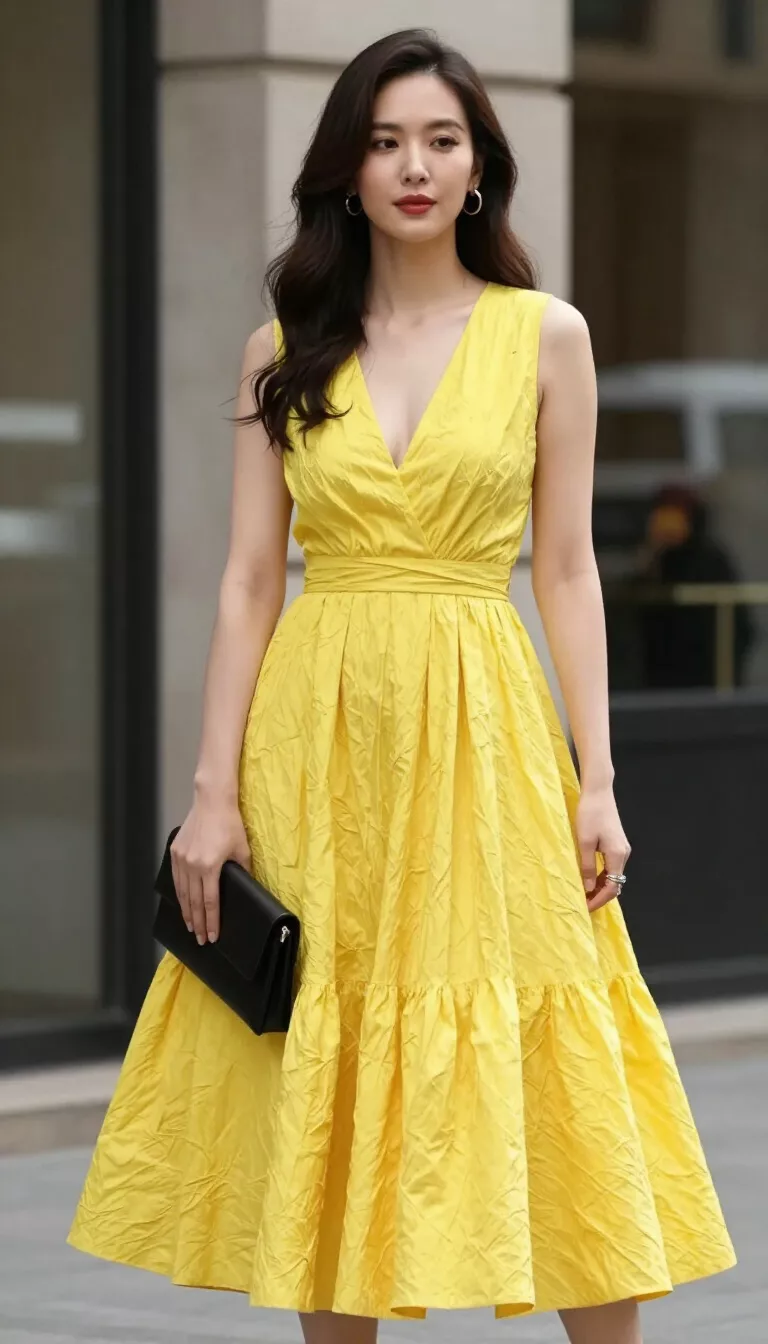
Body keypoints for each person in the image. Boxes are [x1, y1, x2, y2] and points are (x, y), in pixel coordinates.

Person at [68, 28, 736, 1344]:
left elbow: (568, 574)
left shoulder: (547, 337)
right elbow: (250, 581)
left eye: (440, 140)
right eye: (384, 143)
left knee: (557, 1058)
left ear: (480, 166)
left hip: (486, 725)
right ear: (348, 172)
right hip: (318, 739)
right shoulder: (286, 345)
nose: (414, 167)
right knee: (331, 1056)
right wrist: (211, 796)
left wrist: (597, 778)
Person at [632, 483, 755, 689]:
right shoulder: (656, 560)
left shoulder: (711, 559)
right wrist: (651, 555)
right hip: (661, 678)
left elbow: (738, 625)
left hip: (708, 675)